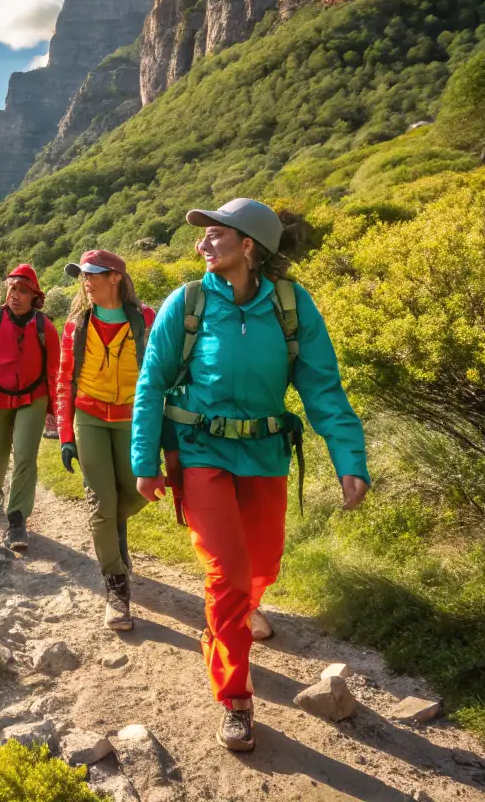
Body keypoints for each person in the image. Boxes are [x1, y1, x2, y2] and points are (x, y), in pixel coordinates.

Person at [131, 199, 369, 754]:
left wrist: (348, 459)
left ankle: (234, 614)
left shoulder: (292, 306)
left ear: (249, 247)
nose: (202, 244)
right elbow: (151, 384)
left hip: (266, 455)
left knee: (262, 565)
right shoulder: (185, 303)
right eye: (203, 237)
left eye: (216, 235)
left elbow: (323, 388)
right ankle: (236, 697)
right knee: (227, 574)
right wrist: (145, 460)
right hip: (202, 455)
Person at [56, 250, 156, 631]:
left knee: (137, 492)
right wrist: (67, 435)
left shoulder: (144, 319)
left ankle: (111, 539)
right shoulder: (76, 325)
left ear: (115, 277)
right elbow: (65, 380)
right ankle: (117, 588)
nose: (86, 281)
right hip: (91, 418)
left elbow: (159, 373)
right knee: (101, 503)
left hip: (133, 418)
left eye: (93, 274)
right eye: (82, 275)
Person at [0, 265, 59, 550]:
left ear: (35, 297)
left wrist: (54, 410)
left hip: (34, 397)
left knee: (25, 457)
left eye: (23, 291)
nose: (15, 296)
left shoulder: (45, 327)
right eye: (12, 289)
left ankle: (17, 519)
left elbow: (54, 371)